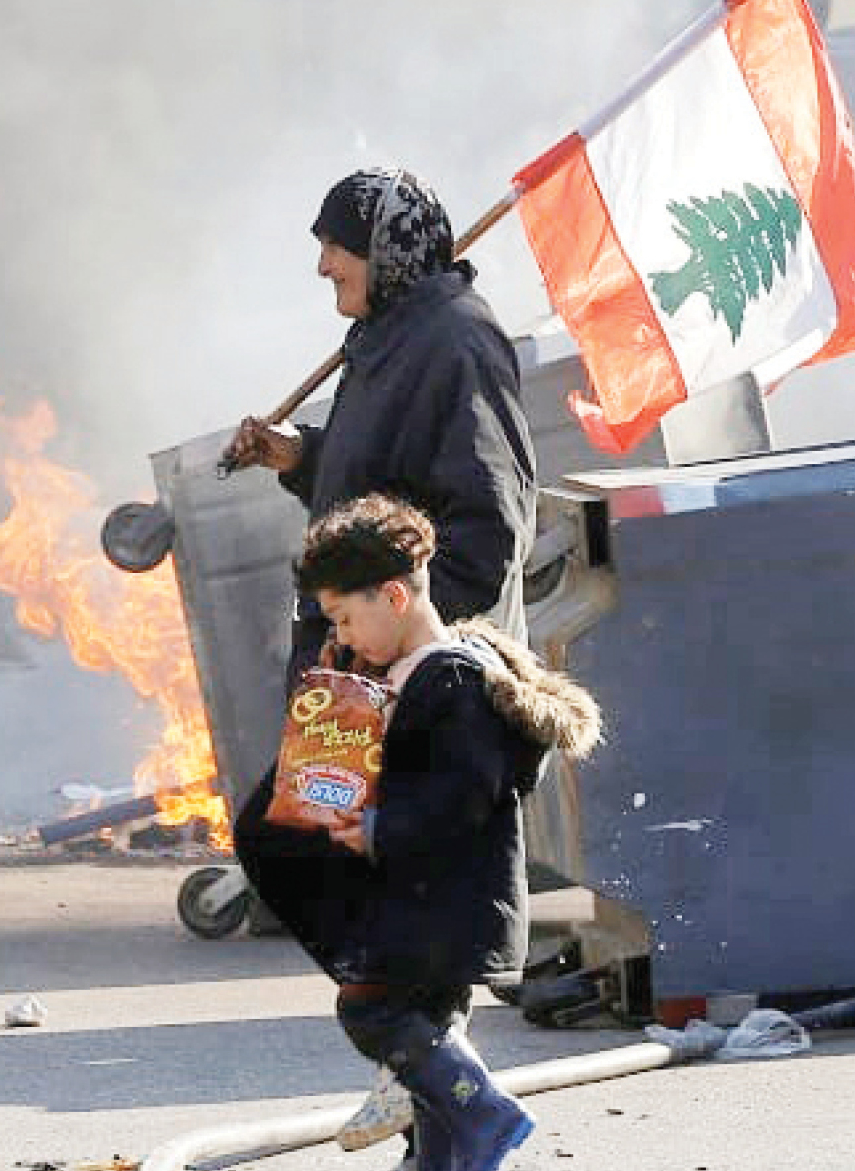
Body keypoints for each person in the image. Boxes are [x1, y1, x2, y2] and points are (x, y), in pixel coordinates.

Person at [220, 167, 537, 1163]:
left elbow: (486, 519)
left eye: (336, 248)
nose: (323, 267)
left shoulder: (457, 339)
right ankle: (429, 1087)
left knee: (389, 881)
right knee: (291, 845)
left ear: (385, 249)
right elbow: (379, 475)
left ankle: (433, 1080)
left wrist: (410, 643)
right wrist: (298, 458)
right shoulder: (386, 333)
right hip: (350, 655)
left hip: (404, 665)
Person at [278, 495, 598, 1171]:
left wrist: (375, 828)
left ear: (393, 595)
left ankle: (484, 1111)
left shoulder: (451, 676)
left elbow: (461, 796)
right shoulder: (407, 670)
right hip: (433, 900)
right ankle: (441, 1158)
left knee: (371, 1008)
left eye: (344, 616)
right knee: (428, 1032)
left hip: (445, 902)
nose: (342, 631)